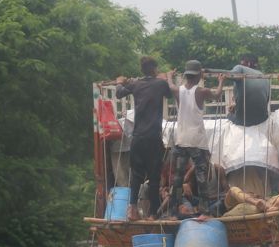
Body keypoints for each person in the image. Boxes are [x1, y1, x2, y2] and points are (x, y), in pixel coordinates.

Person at [116, 56, 171, 221]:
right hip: (154, 138)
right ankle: (153, 214)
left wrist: (120, 81)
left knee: (136, 175)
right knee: (154, 178)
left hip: (138, 137)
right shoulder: (160, 84)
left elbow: (119, 93)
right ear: (154, 69)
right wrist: (165, 77)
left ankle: (132, 209)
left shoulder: (136, 84)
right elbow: (170, 94)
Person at [167, 60, 224, 216]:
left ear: (186, 76)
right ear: (199, 75)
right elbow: (217, 94)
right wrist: (221, 81)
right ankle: (204, 211)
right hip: (197, 141)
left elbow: (170, 85)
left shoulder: (177, 90)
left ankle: (173, 212)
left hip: (181, 140)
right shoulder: (201, 91)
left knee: (178, 178)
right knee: (201, 177)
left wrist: (169, 76)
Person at [208, 54, 270, 127]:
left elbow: (229, 74)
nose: (240, 65)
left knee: (229, 115)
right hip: (262, 119)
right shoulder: (264, 76)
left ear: (248, 63)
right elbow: (266, 100)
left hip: (244, 120)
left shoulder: (241, 68)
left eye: (242, 63)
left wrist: (206, 70)